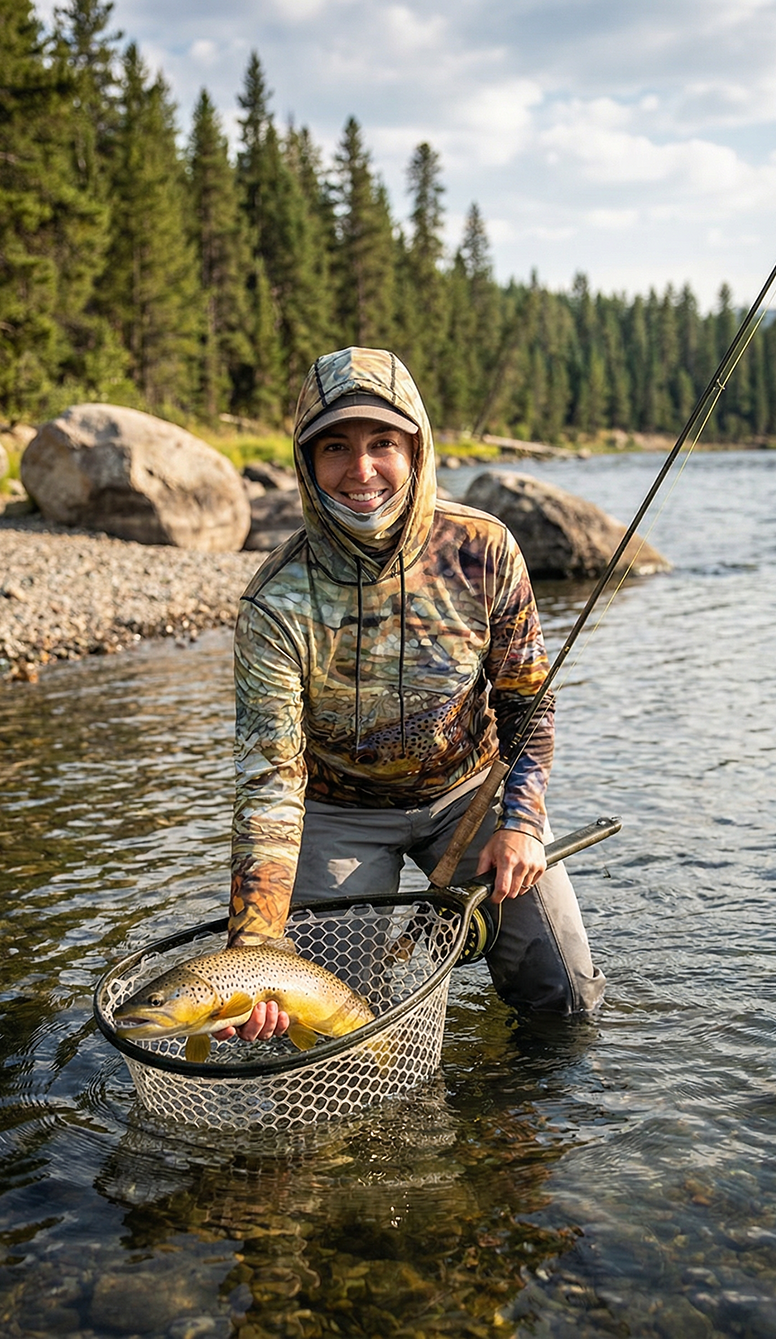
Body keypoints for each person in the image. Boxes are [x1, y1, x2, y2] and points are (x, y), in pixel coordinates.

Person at [219, 347, 604, 1042]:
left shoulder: (485, 550)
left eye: (382, 444)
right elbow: (269, 786)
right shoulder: (275, 601)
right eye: (335, 447)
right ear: (306, 462)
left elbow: (528, 707)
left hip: (473, 793)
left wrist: (520, 820)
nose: (361, 470)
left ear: (416, 449)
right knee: (330, 1032)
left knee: (567, 999)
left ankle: (520, 1138)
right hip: (337, 814)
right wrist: (253, 947)